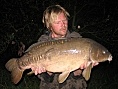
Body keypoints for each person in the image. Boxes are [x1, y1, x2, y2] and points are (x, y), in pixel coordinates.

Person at [32, 5, 88, 89]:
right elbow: (45, 79)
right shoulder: (43, 42)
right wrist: (45, 72)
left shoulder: (77, 40)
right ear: (49, 25)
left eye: (64, 20)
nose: (63, 25)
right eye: (58, 22)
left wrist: (79, 70)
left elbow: (80, 76)